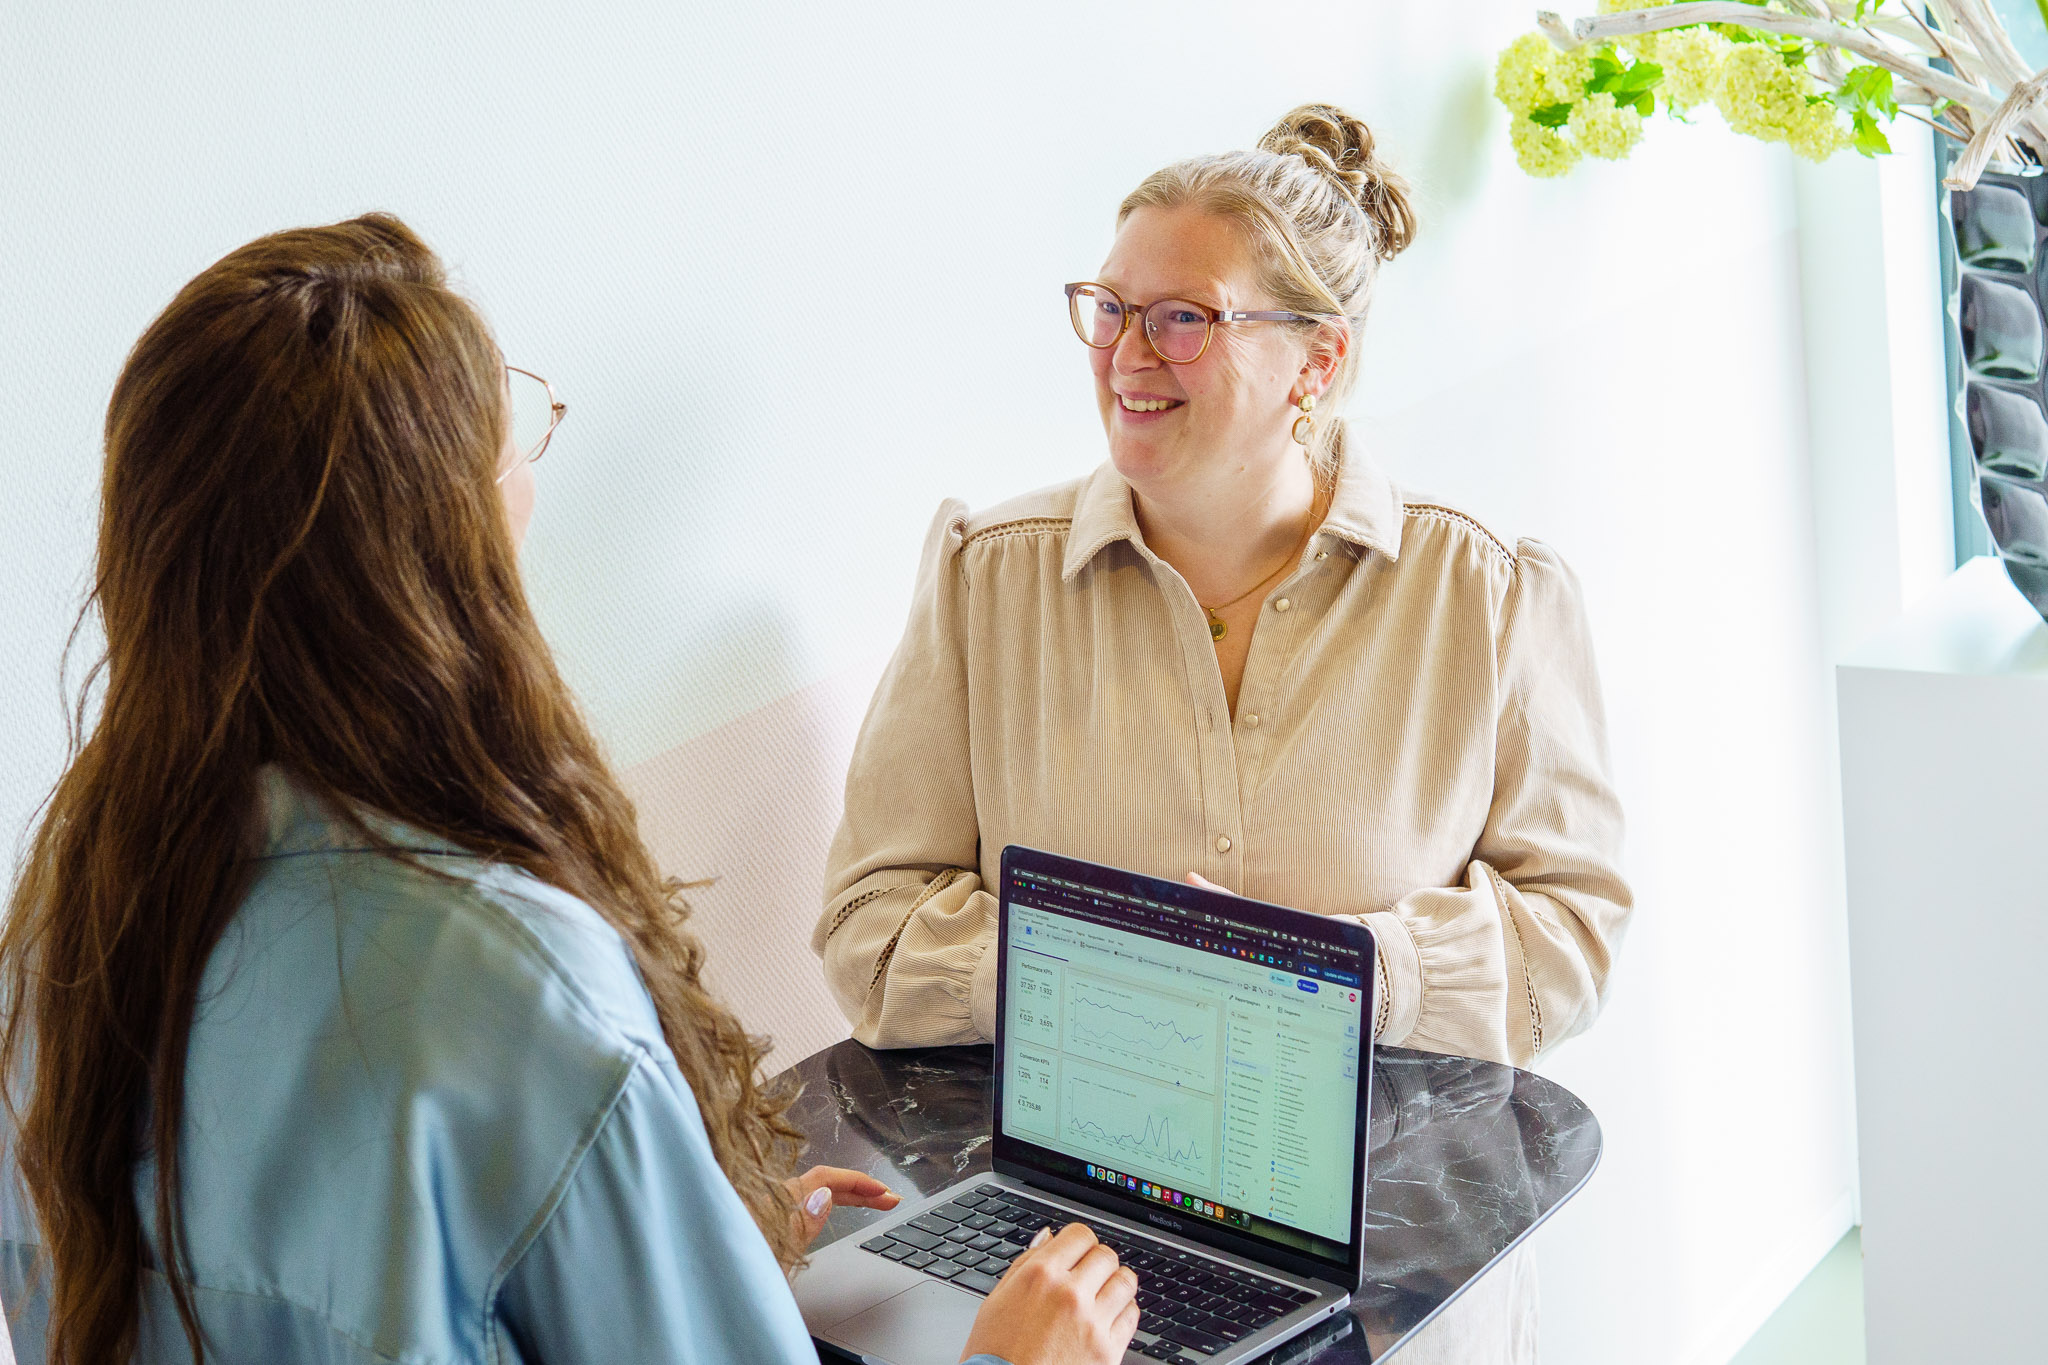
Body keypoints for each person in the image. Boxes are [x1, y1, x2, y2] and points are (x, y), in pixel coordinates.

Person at [0, 215, 1137, 1365]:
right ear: (445, 542)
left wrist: (683, 1249)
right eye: (517, 445)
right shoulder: (515, 984)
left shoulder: (62, 923)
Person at [813, 106, 1631, 1358]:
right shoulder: (988, 580)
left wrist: (1343, 971)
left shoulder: (1486, 593)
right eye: (1109, 307)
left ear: (1315, 361)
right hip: (1069, 1274)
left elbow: (1570, 938)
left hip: (1394, 1288)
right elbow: (867, 937)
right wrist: (1121, 969)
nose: (1126, 353)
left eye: (1182, 316)